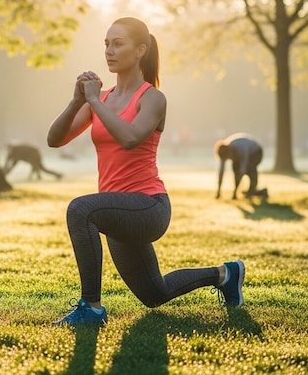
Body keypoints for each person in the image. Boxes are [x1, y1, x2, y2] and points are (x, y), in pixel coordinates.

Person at [47, 17, 245, 327]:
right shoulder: (105, 98)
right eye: (106, 44)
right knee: (155, 293)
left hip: (148, 208)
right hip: (116, 211)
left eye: (118, 44)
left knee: (80, 210)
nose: (109, 51)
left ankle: (91, 308)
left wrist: (94, 100)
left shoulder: (152, 98)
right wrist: (76, 101)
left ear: (140, 50)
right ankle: (226, 274)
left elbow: (129, 138)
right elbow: (54, 140)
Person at [215, 133, 267, 199]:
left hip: (256, 152)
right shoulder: (223, 153)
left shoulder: (240, 148)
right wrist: (218, 191)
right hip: (245, 154)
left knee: (250, 170)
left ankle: (250, 192)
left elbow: (243, 169)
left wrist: (235, 190)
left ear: (229, 152)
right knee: (235, 170)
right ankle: (256, 192)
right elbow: (221, 172)